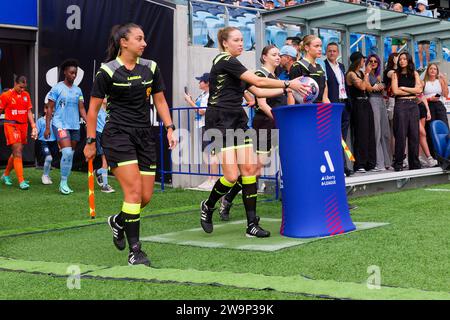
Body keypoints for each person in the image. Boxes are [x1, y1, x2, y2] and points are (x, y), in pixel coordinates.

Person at [200, 26, 308, 238]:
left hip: (237, 118)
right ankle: (209, 205)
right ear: (224, 43)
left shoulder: (237, 65)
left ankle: (251, 224)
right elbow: (259, 81)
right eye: (237, 40)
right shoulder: (224, 60)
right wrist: (288, 82)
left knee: (249, 170)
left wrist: (287, 89)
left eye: (243, 40)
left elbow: (257, 90)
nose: (241, 43)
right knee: (231, 176)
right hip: (219, 119)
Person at [84, 23, 176, 266]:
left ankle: (118, 221)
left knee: (144, 197)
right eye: (139, 38)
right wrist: (91, 141)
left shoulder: (151, 68)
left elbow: (160, 101)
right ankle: (136, 251)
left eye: (144, 38)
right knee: (133, 191)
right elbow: (93, 111)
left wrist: (170, 128)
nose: (144, 43)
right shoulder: (107, 71)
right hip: (117, 135)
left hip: (144, 136)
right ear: (124, 42)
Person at [218, 45, 294, 221]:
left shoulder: (277, 78)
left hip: (279, 124)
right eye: (273, 54)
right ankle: (227, 200)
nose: (278, 57)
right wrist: (280, 118)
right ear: (264, 57)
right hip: (265, 125)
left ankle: (292, 202)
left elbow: (285, 102)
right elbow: (262, 103)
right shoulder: (259, 75)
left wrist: (290, 98)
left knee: (278, 166)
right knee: (255, 171)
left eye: (278, 54)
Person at [45, 59, 87, 195]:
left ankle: (65, 181)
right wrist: (47, 127)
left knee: (70, 155)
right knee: (67, 152)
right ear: (65, 72)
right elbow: (50, 108)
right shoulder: (57, 88)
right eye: (71, 73)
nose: (73, 76)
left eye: (75, 73)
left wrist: (88, 121)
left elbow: (81, 108)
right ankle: (63, 183)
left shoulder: (78, 90)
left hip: (74, 125)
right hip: (60, 124)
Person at [0, 76, 37, 189]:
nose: (22, 89)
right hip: (11, 125)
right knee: (17, 151)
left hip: (23, 126)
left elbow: (29, 111)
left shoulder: (26, 95)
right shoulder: (6, 95)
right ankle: (21, 181)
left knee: (17, 151)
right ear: (15, 83)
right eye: (20, 87)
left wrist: (33, 126)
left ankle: (5, 175)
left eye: (24, 87)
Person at [184, 72, 219, 190]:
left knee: (212, 152)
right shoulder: (203, 94)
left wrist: (190, 102)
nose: (199, 83)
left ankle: (214, 179)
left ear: (207, 83)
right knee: (206, 153)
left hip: (210, 125)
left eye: (201, 81)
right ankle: (210, 178)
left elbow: (202, 111)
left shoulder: (210, 95)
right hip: (203, 125)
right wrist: (192, 100)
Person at [324, 42, 353, 177]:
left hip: (344, 103)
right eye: (329, 51)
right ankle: (339, 166)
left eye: (334, 51)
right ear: (326, 52)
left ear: (338, 53)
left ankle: (344, 165)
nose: (332, 53)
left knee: (343, 136)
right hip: (333, 104)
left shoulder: (341, 66)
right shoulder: (323, 66)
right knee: (335, 136)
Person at [391, 52, 422, 171]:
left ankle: (414, 163)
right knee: (400, 135)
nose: (402, 61)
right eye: (400, 59)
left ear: (409, 61)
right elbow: (395, 91)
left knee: (414, 135)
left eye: (404, 59)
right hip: (401, 105)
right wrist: (412, 91)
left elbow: (419, 90)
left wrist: (404, 88)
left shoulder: (414, 73)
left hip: (413, 105)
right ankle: (398, 163)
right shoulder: (395, 74)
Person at [346, 51, 376, 173]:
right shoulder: (351, 74)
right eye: (363, 60)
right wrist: (367, 74)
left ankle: (370, 163)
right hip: (357, 104)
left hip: (366, 103)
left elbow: (369, 88)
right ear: (358, 61)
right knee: (361, 134)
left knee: (370, 133)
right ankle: (359, 164)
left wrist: (366, 75)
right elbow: (362, 87)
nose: (365, 62)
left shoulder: (361, 73)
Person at [365, 54, 391, 171]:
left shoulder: (378, 75)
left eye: (375, 61)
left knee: (385, 132)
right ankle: (378, 163)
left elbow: (383, 88)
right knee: (377, 132)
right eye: (371, 61)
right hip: (373, 101)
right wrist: (375, 86)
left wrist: (381, 85)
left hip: (381, 101)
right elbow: (368, 88)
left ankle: (387, 161)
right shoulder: (366, 74)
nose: (373, 63)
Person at [422, 63, 449, 158]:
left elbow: (445, 94)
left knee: (444, 128)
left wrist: (444, 80)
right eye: (431, 69)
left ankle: (446, 154)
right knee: (430, 131)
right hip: (428, 106)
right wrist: (430, 99)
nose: (433, 70)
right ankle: (435, 156)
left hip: (439, 106)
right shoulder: (423, 82)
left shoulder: (440, 81)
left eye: (435, 69)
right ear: (427, 71)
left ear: (437, 71)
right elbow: (420, 97)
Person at [94, 98, 115, 193]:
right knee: (105, 160)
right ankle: (105, 186)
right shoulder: (97, 110)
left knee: (108, 161)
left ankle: (98, 172)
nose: (105, 98)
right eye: (104, 96)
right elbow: (90, 124)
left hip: (109, 136)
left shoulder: (110, 111)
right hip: (100, 136)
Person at [36, 102, 58, 184]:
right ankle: (44, 176)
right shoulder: (40, 121)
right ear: (45, 109)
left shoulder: (56, 120)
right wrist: (35, 133)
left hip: (54, 142)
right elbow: (37, 131)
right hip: (44, 142)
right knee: (49, 158)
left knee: (49, 160)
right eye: (49, 108)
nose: (51, 111)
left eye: (53, 109)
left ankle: (47, 175)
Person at [415, 0, 433, 72]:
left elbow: (431, 21)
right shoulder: (417, 13)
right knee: (419, 50)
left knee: (426, 50)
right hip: (419, 34)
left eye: (421, 5)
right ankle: (421, 65)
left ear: (424, 5)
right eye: (418, 5)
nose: (419, 6)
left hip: (426, 33)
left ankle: (428, 65)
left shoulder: (429, 12)